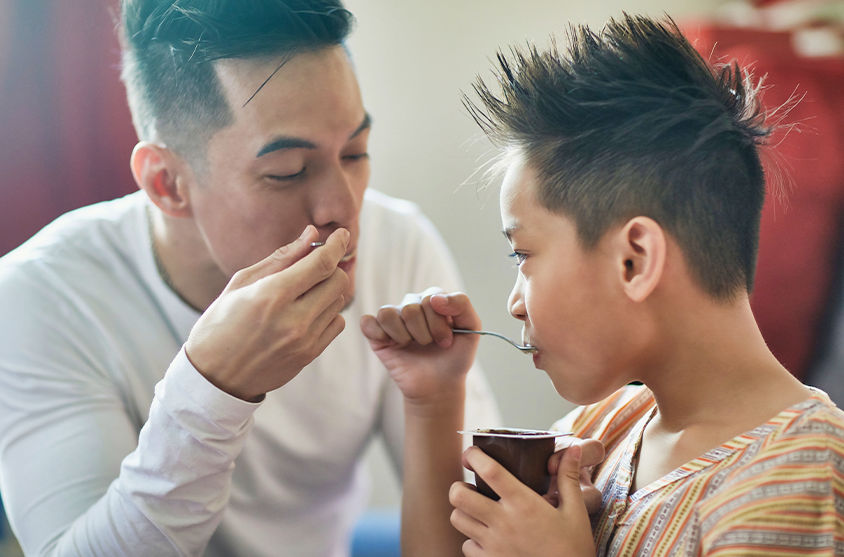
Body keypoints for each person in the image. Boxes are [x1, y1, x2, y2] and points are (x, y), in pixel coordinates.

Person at [0, 1, 500, 556]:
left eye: (356, 152)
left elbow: (477, 540)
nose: (343, 206)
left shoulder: (399, 245)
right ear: (167, 182)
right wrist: (212, 389)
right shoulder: (41, 294)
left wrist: (435, 405)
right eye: (287, 172)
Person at [360, 13, 844, 556]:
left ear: (634, 261)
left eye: (524, 255)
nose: (514, 303)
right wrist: (434, 399)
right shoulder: (607, 429)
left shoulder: (795, 476)